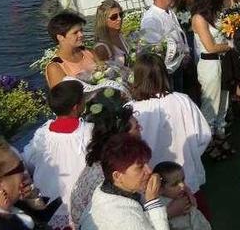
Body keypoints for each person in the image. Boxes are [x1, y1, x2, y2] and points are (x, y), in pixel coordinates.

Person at [129, 53, 212, 201]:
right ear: (164, 74)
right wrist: (190, 155)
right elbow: (204, 135)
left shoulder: (132, 111)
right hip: (185, 180)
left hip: (151, 189)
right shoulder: (182, 100)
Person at [22, 81, 91, 229]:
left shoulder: (42, 134)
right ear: (76, 107)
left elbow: (26, 161)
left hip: (47, 205)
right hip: (81, 205)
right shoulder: (88, 132)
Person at [70, 90, 144, 227]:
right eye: (137, 127)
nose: (141, 129)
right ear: (123, 137)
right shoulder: (114, 172)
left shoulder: (102, 160)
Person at [79, 134, 168, 230]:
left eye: (147, 163)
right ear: (117, 176)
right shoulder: (124, 220)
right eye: (140, 167)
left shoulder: (104, 190)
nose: (149, 170)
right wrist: (153, 202)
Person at [190, 0, 233, 152]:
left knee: (224, 100)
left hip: (222, 62)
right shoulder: (199, 19)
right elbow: (210, 47)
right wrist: (229, 46)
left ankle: (220, 136)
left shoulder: (214, 14)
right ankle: (208, 144)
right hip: (209, 64)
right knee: (211, 104)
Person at [141, 0, 191, 92]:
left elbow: (178, 33)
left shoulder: (169, 11)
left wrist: (185, 52)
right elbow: (153, 48)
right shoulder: (151, 19)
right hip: (167, 70)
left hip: (177, 65)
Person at [44, 12, 97, 89]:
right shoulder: (56, 67)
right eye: (75, 33)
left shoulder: (89, 53)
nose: (81, 35)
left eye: (81, 30)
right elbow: (62, 98)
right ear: (60, 37)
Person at [152, 162, 211, 230]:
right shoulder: (158, 207)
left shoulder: (184, 192)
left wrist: (190, 196)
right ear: (160, 189)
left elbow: (194, 208)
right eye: (174, 184)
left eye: (183, 180)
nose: (182, 185)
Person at [0, 138, 34, 230]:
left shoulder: (10, 209)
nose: (24, 173)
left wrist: (32, 202)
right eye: (20, 167)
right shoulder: (2, 226)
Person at [93, 0, 129, 68]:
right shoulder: (102, 48)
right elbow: (105, 74)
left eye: (121, 14)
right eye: (114, 17)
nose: (119, 19)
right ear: (104, 20)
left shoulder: (121, 36)